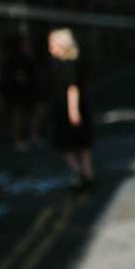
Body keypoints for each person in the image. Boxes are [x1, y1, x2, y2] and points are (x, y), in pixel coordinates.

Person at [47, 27, 95, 189]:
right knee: (82, 144)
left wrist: (72, 111)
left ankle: (81, 173)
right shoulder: (68, 62)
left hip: (67, 108)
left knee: (67, 144)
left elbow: (72, 88)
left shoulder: (67, 64)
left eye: (53, 43)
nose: (50, 47)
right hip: (71, 107)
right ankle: (87, 174)